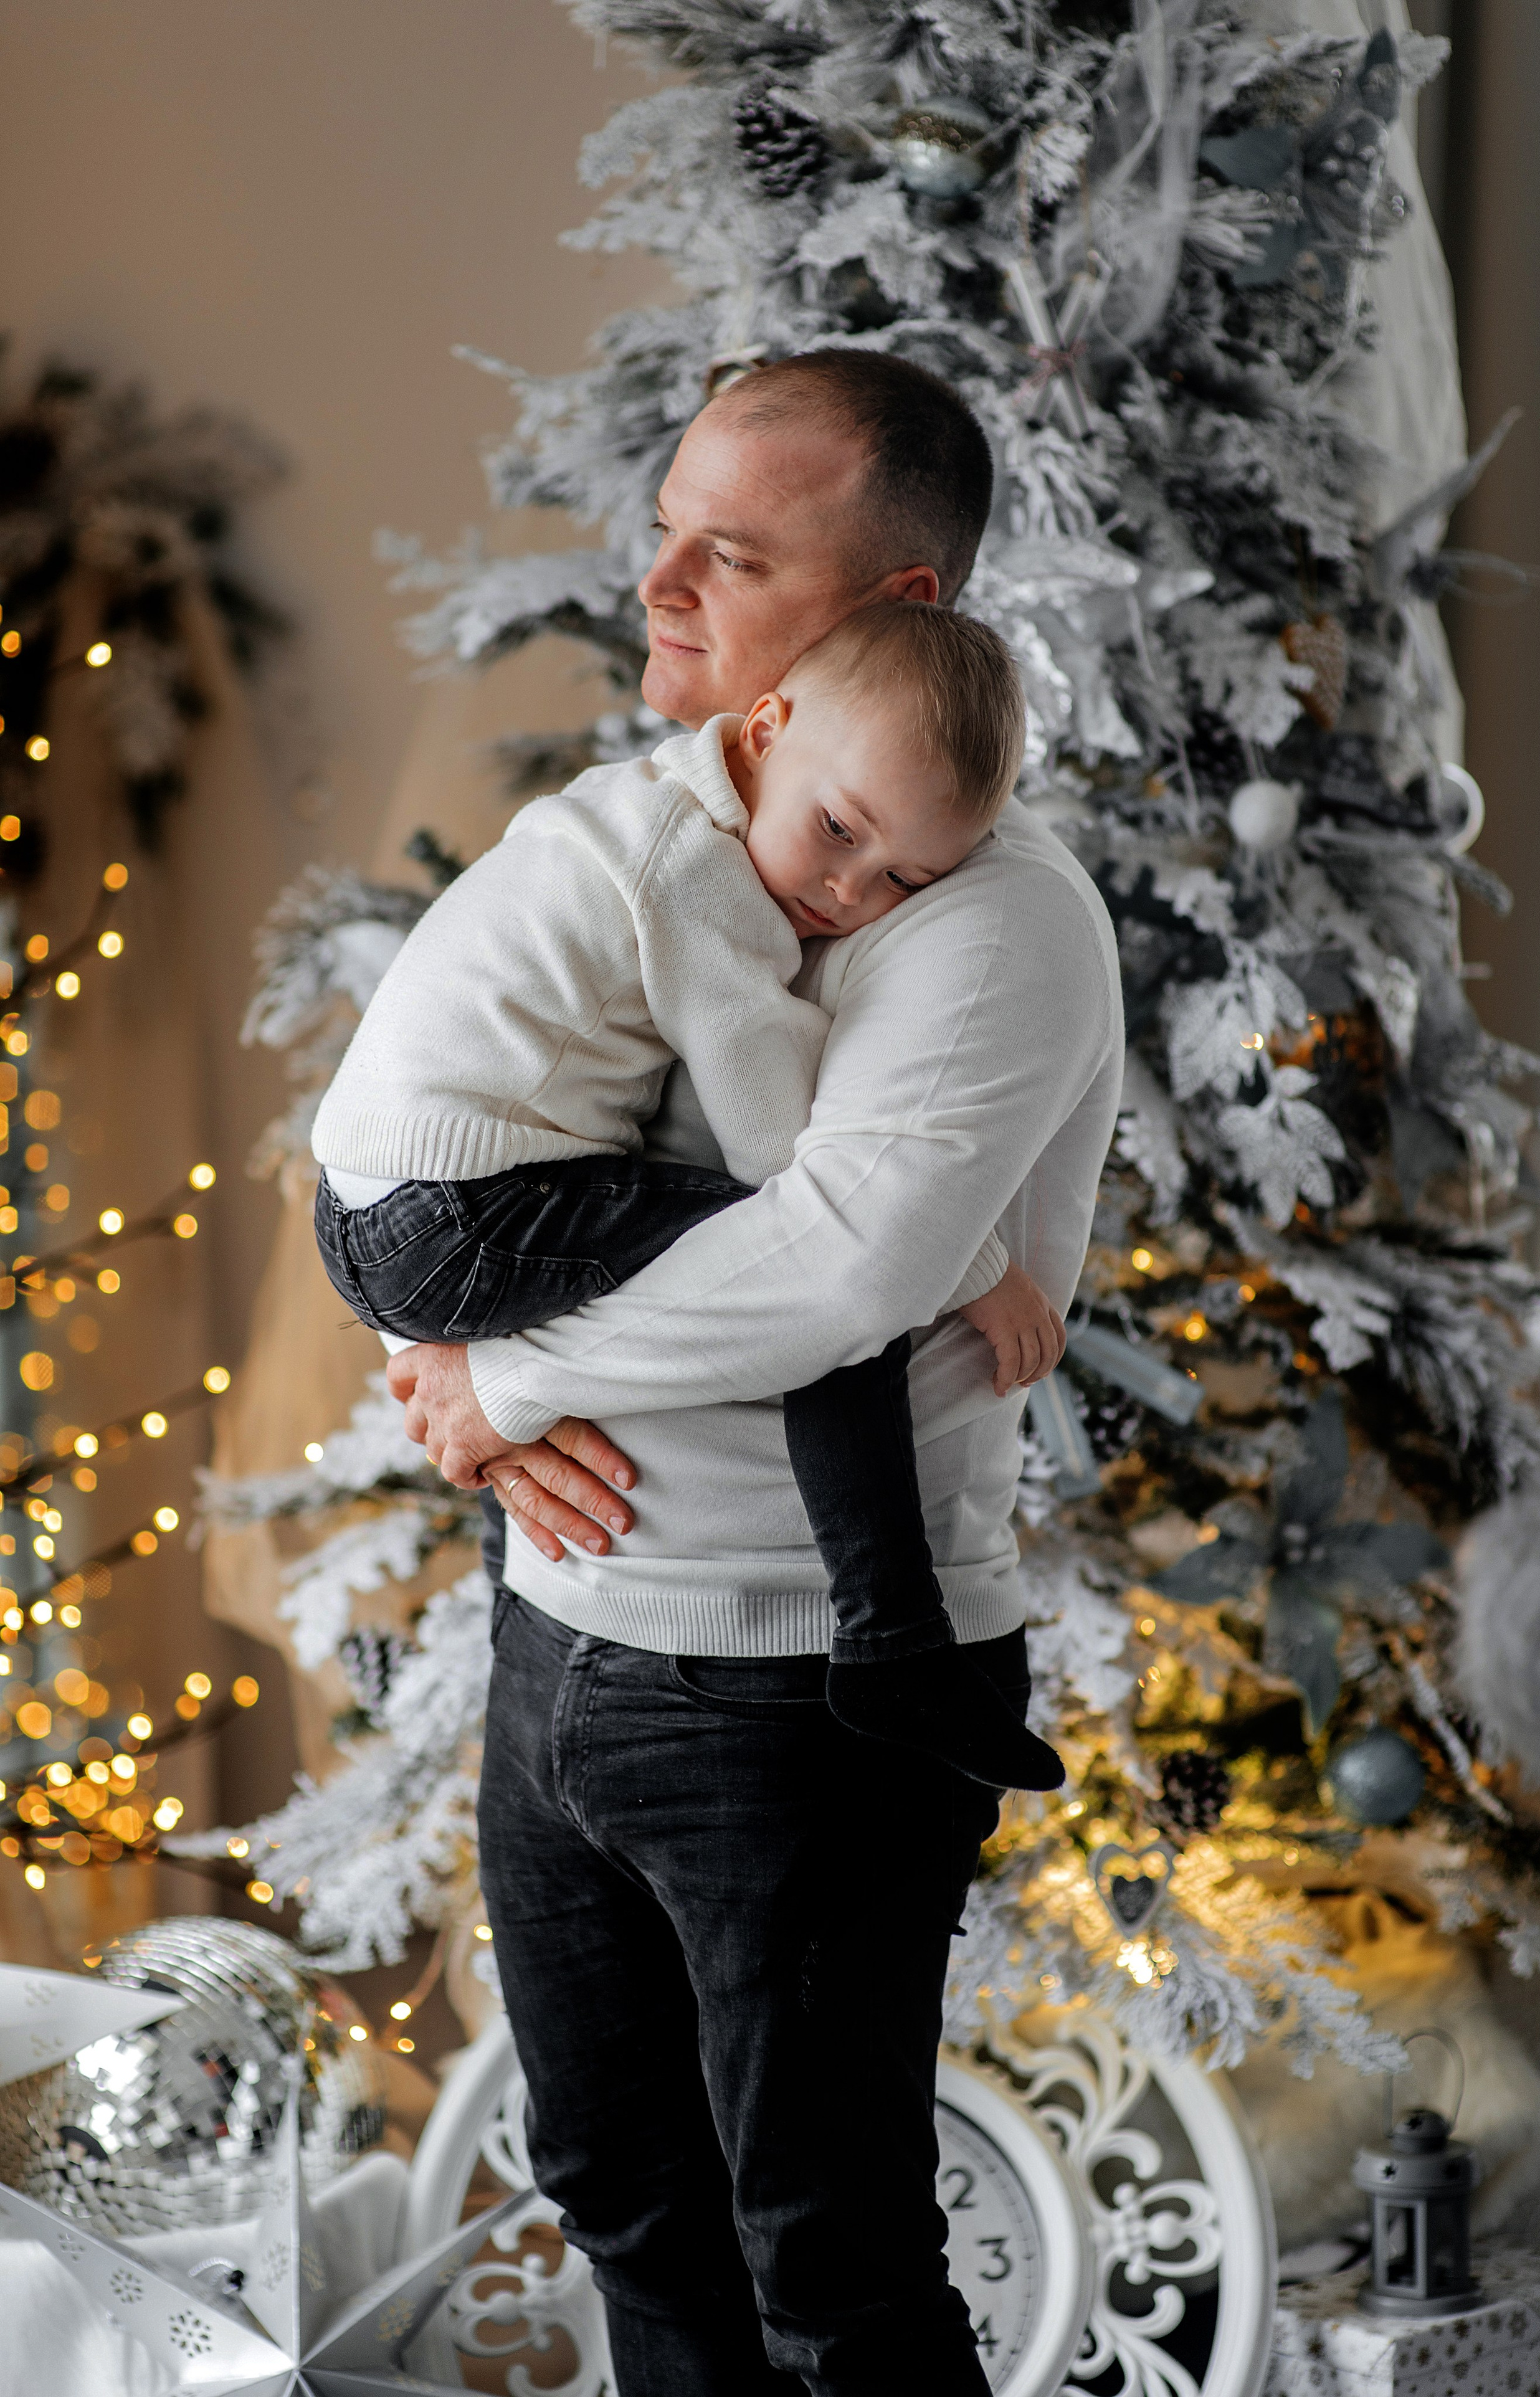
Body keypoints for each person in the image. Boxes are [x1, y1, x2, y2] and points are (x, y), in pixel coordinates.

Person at [391, 349, 1124, 2395]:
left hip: (802, 1694)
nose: (661, 587)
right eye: (661, 535)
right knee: (631, 2210)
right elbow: (444, 1104)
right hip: (564, 1647)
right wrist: (426, 1330)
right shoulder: (658, 861)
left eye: (735, 551)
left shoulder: (989, 911)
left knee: (833, 2269)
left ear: (894, 610)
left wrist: (501, 1384)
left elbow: (844, 1260)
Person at [311, 599, 1065, 1790]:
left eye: (903, 879)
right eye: (838, 829)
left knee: (803, 1267)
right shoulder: (695, 879)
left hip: (364, 1199)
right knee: (830, 1291)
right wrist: (975, 1263)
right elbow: (800, 1172)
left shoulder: (642, 799)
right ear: (764, 727)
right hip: (461, 1206)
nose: (849, 889)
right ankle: (895, 1642)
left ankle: (893, 1644)